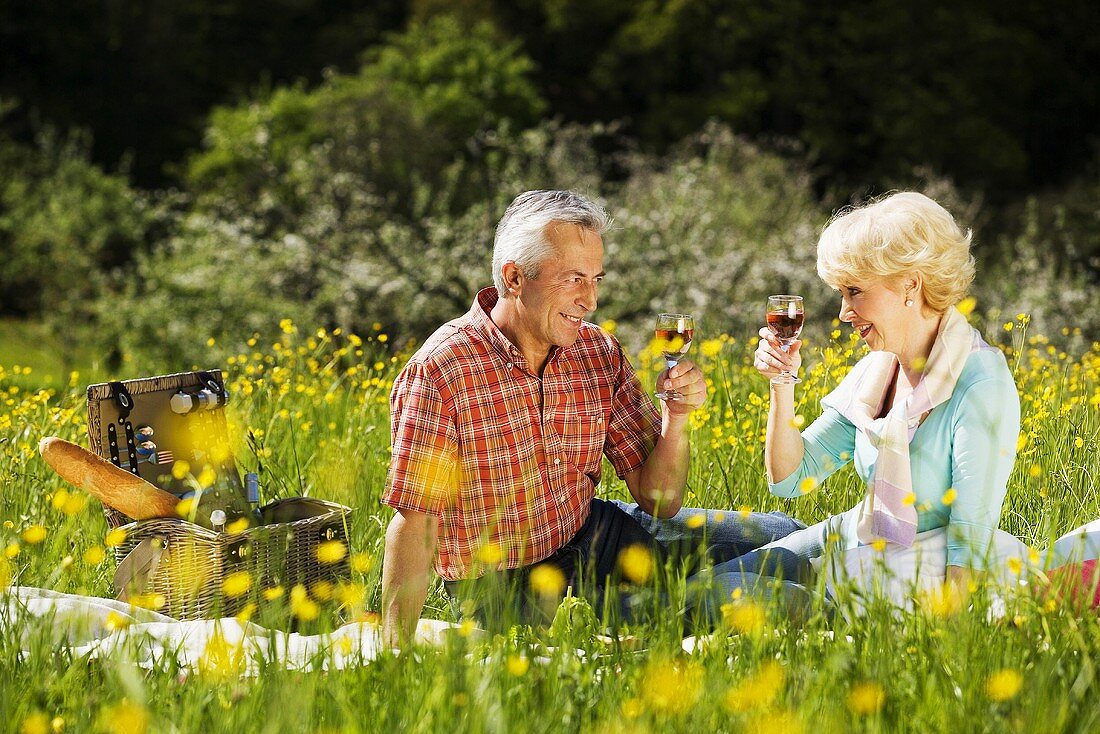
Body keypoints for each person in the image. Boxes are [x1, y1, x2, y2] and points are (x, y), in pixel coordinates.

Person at [379, 190, 802, 645]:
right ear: (515, 277)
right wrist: (393, 651)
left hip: (595, 530)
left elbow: (661, 502)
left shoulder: (597, 351)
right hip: (509, 586)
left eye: (596, 279)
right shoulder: (441, 371)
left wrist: (675, 418)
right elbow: (416, 522)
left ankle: (685, 591)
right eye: (575, 279)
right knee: (771, 593)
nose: (591, 300)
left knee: (787, 535)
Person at [708, 191, 1020, 610]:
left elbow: (970, 536)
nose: (842, 312)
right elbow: (790, 478)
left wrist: (951, 641)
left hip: (906, 572)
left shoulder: (981, 382)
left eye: (854, 291)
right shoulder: (876, 372)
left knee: (730, 598)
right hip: (851, 539)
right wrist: (782, 383)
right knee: (704, 586)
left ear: (910, 283)